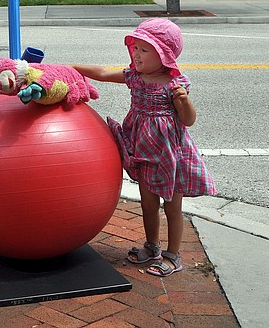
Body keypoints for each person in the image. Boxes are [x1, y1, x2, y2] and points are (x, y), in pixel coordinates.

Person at [72, 18, 216, 277]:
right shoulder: (135, 78)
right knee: (148, 203)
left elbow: (189, 121)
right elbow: (103, 74)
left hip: (169, 154)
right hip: (143, 150)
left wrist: (184, 101)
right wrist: (72, 69)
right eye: (135, 48)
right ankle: (152, 247)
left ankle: (173, 255)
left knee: (172, 206)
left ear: (164, 55)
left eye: (144, 49)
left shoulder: (175, 84)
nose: (136, 54)